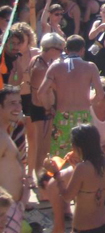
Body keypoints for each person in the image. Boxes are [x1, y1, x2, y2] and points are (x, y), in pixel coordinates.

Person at [38, 34, 103, 159]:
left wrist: (48, 108)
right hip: (83, 115)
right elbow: (100, 95)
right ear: (83, 50)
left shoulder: (55, 67)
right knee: (86, 155)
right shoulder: (90, 67)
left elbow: (41, 92)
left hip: (62, 115)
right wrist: (89, 103)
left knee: (60, 158)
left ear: (66, 50)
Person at [28, 32, 63, 174]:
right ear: (52, 49)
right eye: (60, 49)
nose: (61, 53)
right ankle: (39, 176)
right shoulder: (40, 68)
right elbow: (39, 94)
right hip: (42, 110)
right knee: (42, 147)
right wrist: (49, 109)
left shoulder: (40, 60)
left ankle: (40, 175)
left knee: (44, 147)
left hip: (43, 109)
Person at [0, 86, 25, 233]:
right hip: (4, 211)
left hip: (12, 209)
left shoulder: (6, 133)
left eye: (19, 102)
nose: (18, 107)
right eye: (11, 104)